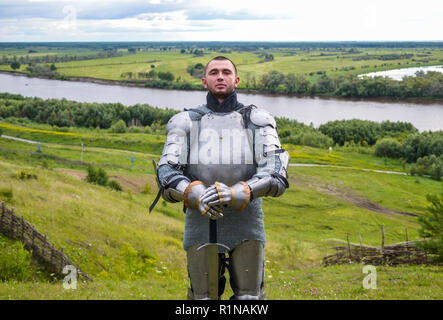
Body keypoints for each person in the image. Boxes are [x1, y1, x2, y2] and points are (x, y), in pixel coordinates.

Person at [155, 56, 290, 300]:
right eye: (214, 72)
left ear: (236, 80)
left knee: (250, 298)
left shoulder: (256, 119)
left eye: (226, 72)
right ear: (204, 81)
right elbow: (166, 170)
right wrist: (193, 193)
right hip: (200, 217)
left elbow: (276, 169)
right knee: (202, 299)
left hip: (246, 217)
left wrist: (242, 191)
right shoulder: (185, 121)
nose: (220, 76)